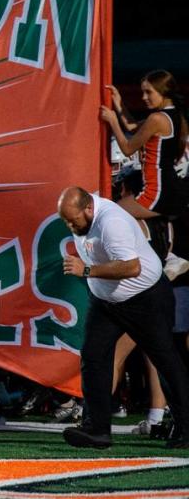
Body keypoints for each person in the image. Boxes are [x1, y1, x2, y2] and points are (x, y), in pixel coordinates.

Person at [58, 186, 189, 449]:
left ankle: (186, 426)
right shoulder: (83, 217)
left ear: (89, 208)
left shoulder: (112, 221)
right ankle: (96, 429)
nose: (70, 225)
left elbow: (131, 267)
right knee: (93, 356)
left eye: (74, 220)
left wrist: (87, 270)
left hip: (145, 297)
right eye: (66, 221)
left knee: (164, 359)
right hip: (107, 301)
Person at [101, 71, 187, 220]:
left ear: (163, 91)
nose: (144, 97)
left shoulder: (157, 118)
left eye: (149, 92)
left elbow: (128, 149)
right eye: (143, 92)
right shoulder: (172, 114)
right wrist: (119, 102)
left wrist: (113, 121)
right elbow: (131, 127)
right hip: (167, 188)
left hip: (156, 191)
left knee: (108, 216)